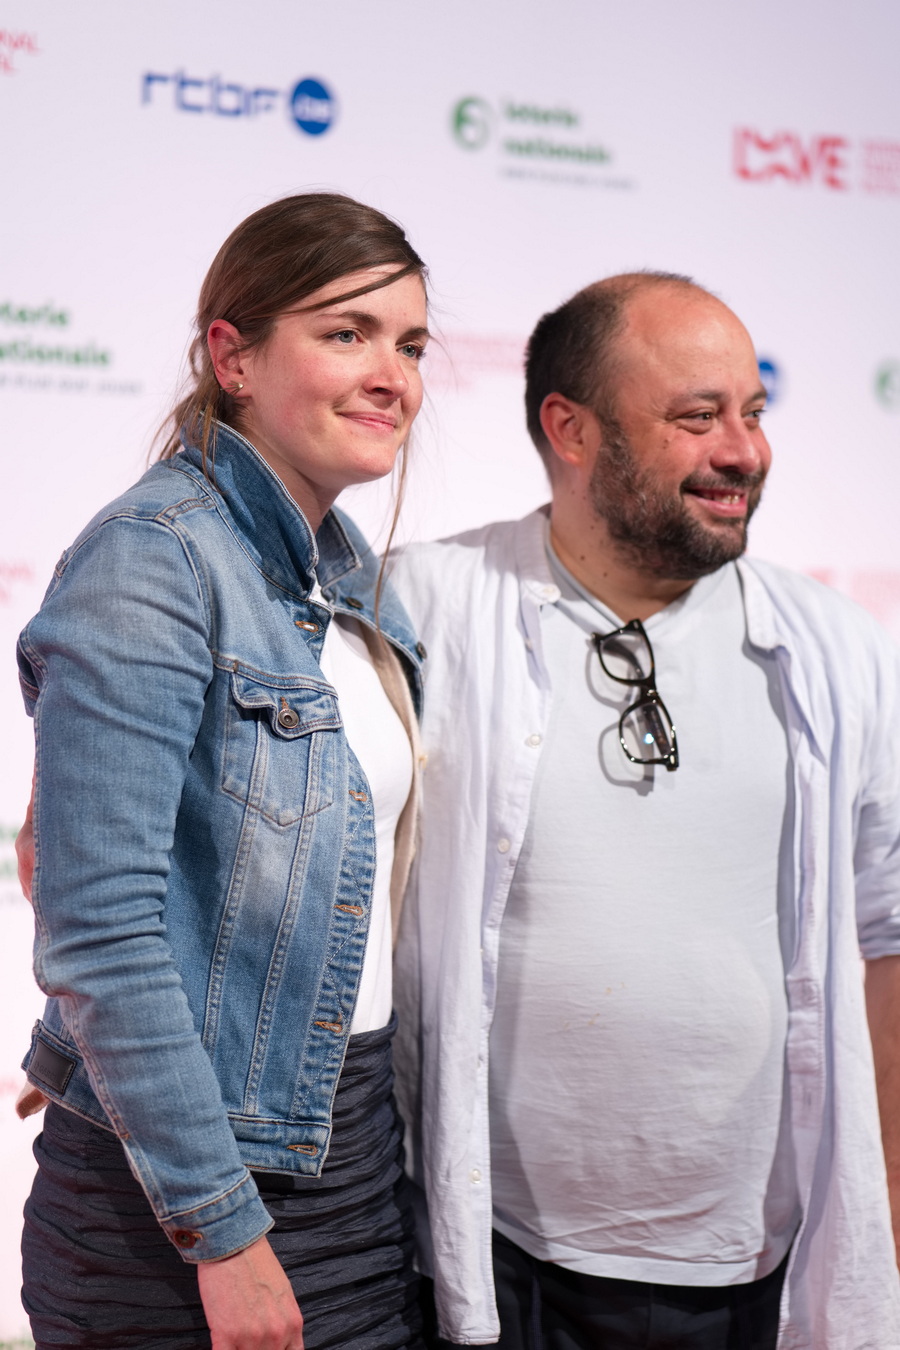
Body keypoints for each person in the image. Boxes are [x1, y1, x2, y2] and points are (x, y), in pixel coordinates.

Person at [389, 272, 900, 1349]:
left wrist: (889, 1216)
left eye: (754, 411)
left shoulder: (841, 649)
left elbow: (892, 934)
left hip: (755, 1262)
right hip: (484, 1253)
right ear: (570, 430)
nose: (745, 452)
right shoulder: (423, 605)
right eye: (697, 417)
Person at [15, 191, 431, 1350]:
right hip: (186, 1215)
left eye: (410, 344)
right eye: (346, 332)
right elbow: (99, 932)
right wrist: (224, 1235)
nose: (392, 375)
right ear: (233, 358)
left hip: (352, 1162)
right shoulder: (151, 562)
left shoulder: (342, 578)